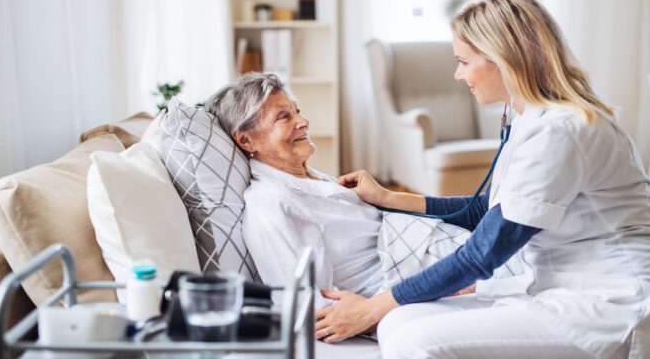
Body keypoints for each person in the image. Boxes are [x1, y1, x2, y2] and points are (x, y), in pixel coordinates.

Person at [313, 0, 650, 359]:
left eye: (464, 61)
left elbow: (482, 254)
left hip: (616, 305)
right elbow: (489, 209)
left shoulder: (560, 130)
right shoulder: (530, 118)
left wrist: (372, 307)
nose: (458, 74)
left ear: (504, 59)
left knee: (416, 342)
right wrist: (388, 198)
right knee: (398, 323)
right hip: (563, 289)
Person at [206, 73, 525, 309]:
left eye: (297, 110)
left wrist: (385, 198)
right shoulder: (271, 206)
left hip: (460, 258)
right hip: (438, 281)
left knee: (549, 254)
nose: (303, 121)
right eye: (284, 117)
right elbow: (306, 305)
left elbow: (475, 210)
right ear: (246, 140)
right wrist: (457, 287)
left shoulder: (314, 179)